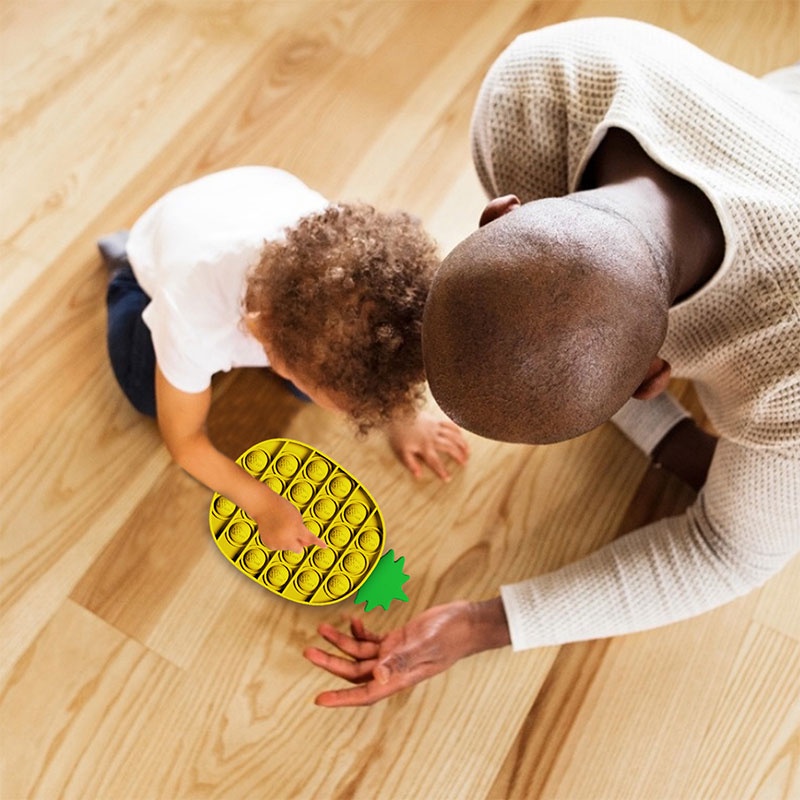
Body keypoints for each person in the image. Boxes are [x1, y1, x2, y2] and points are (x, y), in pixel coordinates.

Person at [304, 18, 799, 706]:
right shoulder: (539, 88)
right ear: (501, 211)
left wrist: (486, 624)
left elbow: (731, 552)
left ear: (654, 377)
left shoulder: (791, 375)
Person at [100, 166, 469, 553]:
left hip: (240, 203)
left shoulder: (337, 260)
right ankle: (123, 268)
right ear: (261, 333)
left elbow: (372, 344)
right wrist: (262, 504)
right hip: (160, 259)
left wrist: (400, 416)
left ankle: (318, 382)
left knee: (330, 379)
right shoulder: (194, 315)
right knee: (145, 392)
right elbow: (185, 442)